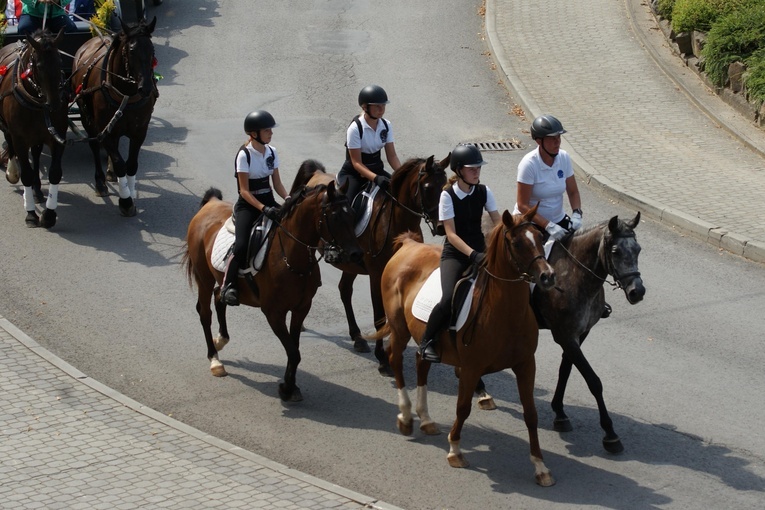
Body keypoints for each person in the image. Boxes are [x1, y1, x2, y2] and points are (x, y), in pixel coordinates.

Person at [513, 114, 610, 317]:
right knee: (538, 262)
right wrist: (547, 226)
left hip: (558, 219)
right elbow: (523, 205)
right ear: (539, 141)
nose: (557, 142)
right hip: (532, 222)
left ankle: (593, 299)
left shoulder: (563, 158)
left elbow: (572, 191)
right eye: (552, 138)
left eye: (559, 138)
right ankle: (529, 301)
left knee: (582, 254)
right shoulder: (529, 164)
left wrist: (576, 213)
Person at [419, 144, 501, 363]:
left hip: (480, 250)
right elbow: (451, 235)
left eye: (478, 168)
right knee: (447, 299)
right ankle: (427, 340)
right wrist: (473, 255)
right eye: (472, 168)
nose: (477, 172)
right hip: (455, 254)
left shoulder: (484, 191)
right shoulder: (447, 196)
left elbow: (498, 222)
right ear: (458, 170)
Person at [220, 110, 289, 307]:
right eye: (267, 130)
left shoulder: (272, 152)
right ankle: (229, 285)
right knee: (241, 245)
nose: (271, 133)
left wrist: (289, 198)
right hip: (248, 205)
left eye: (270, 130)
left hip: (268, 200)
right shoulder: (244, 155)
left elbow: (277, 184)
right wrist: (262, 208)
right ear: (254, 133)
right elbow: (244, 191)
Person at [337, 84, 402, 206]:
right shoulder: (355, 128)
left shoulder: (386, 125)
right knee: (346, 207)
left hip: (377, 170)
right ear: (365, 107)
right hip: (354, 174)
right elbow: (357, 163)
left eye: (383, 105)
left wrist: (402, 174)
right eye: (377, 106)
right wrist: (376, 178)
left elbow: (392, 156)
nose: (381, 109)